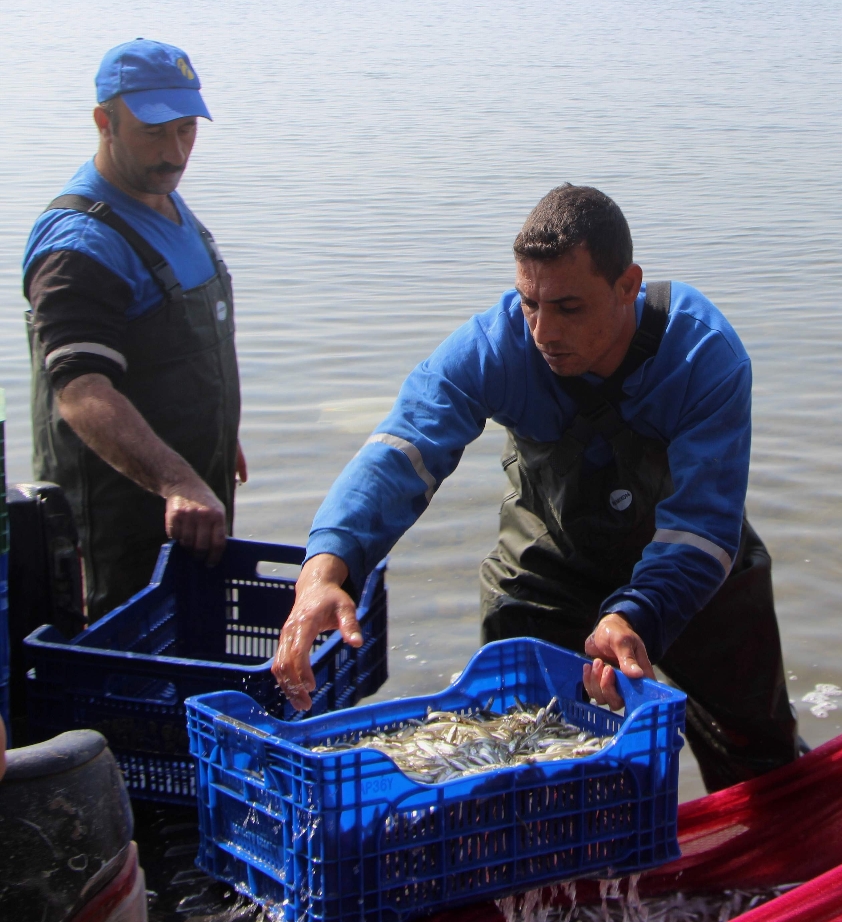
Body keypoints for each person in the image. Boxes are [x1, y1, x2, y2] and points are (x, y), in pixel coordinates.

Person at [273, 184, 800, 790]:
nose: (543, 331)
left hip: (691, 562)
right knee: (523, 749)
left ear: (627, 286)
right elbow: (403, 450)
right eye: (529, 303)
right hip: (550, 561)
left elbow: (704, 524)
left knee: (757, 753)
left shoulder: (704, 353)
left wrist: (637, 614)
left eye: (569, 308)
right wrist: (324, 570)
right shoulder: (494, 346)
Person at [23, 39, 243, 620]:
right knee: (125, 657)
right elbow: (80, 392)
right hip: (121, 523)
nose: (175, 153)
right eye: (154, 132)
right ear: (105, 122)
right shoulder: (80, 246)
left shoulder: (161, 197)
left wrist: (219, 429)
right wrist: (176, 480)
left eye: (186, 129)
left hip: (193, 504)